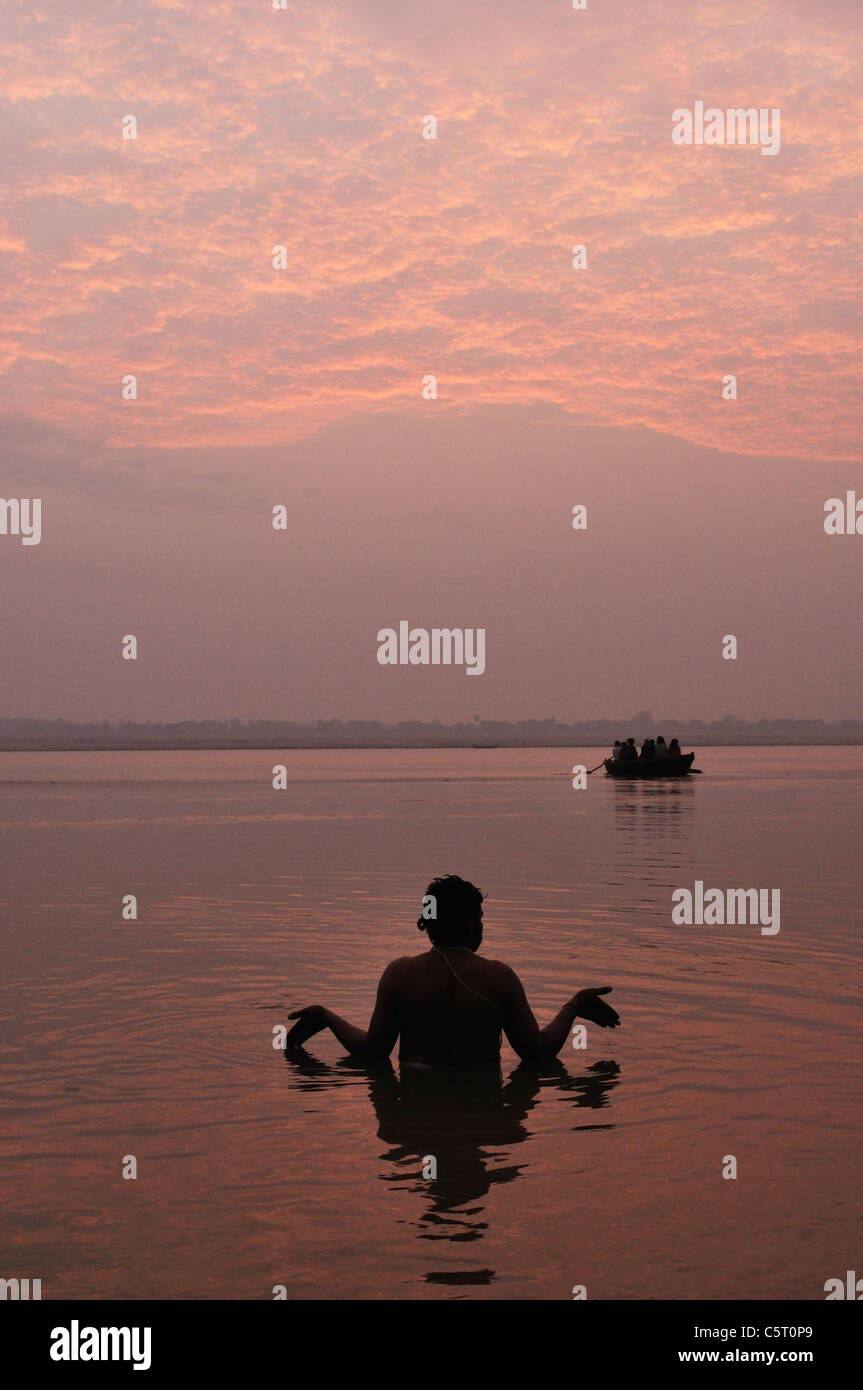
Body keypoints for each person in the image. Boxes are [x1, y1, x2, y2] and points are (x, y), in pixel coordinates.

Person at [284, 875, 620, 1067]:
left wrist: (327, 1017)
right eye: (481, 918)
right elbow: (537, 1053)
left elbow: (374, 1052)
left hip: (414, 1109)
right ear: (470, 922)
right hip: (481, 1104)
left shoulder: (399, 975)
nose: (483, 925)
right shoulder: (499, 977)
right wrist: (573, 1005)